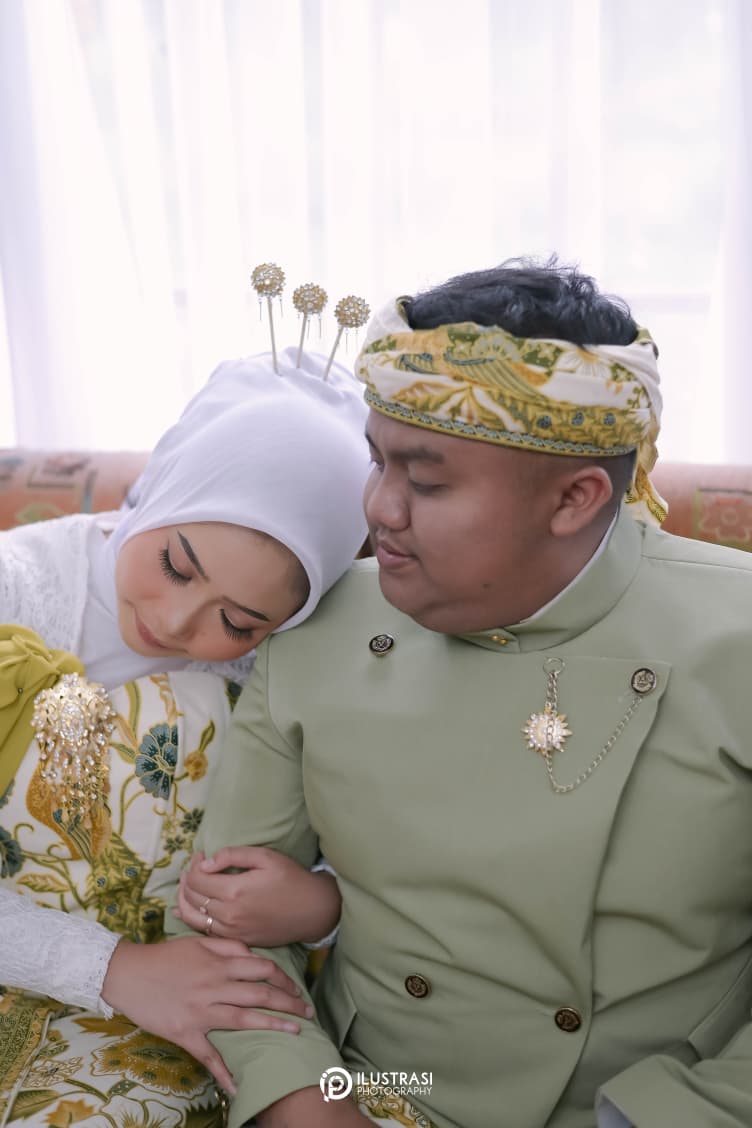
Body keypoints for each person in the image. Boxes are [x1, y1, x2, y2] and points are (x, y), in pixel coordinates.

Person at [171, 257, 752, 1128]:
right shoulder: (319, 627)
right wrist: (306, 1102)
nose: (379, 509)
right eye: (376, 462)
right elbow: (222, 916)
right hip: (381, 1093)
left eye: (427, 480)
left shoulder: (737, 637)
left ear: (575, 498)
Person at [0, 346, 370, 1121]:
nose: (173, 623)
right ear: (163, 482)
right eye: (175, 564)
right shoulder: (14, 590)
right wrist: (113, 969)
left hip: (194, 1016)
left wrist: (319, 901)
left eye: (238, 621)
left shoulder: (295, 665)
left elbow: (364, 842)